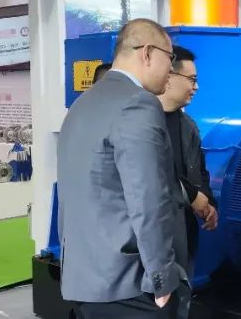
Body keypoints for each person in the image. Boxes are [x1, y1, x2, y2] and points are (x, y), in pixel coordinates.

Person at [57, 19, 185, 318]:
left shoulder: (82, 103)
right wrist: (162, 278)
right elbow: (148, 199)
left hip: (85, 278)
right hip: (128, 283)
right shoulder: (137, 104)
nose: (171, 68)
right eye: (170, 58)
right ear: (148, 53)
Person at [156, 46, 219, 316]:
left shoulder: (188, 125)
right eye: (191, 80)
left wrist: (209, 203)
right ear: (169, 76)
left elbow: (199, 172)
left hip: (184, 234)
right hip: (156, 233)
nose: (196, 87)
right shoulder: (144, 123)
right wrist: (193, 197)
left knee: (181, 301)